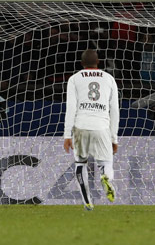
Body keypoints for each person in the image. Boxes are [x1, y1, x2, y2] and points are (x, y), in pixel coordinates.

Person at [63, 49, 120, 211]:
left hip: (81, 126)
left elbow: (71, 108)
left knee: (80, 163)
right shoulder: (109, 78)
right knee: (106, 162)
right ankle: (106, 178)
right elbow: (114, 110)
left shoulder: (74, 79)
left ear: (81, 64)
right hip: (101, 126)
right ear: (98, 62)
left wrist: (68, 135)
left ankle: (87, 201)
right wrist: (114, 138)